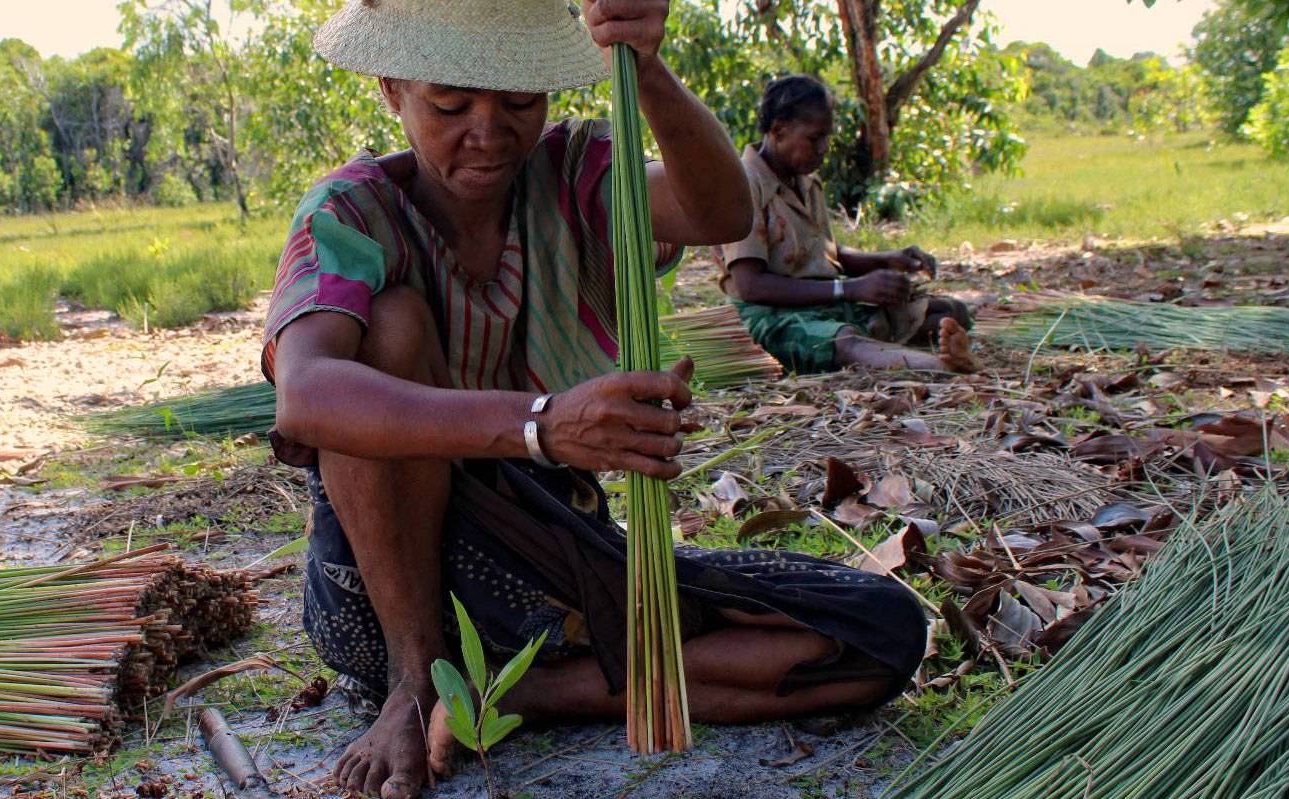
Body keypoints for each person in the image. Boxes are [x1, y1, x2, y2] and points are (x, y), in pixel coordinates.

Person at [264, 3, 926, 797]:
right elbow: (306, 397)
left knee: (877, 631)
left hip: (545, 578)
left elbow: (720, 212)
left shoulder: (569, 176)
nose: (489, 132)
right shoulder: (349, 213)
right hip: (385, 595)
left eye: (518, 101)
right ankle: (416, 685)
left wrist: (644, 67)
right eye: (450, 104)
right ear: (391, 90)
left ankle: (521, 692)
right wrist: (543, 426)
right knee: (392, 329)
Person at [719, 75, 977, 375]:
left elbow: (823, 253)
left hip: (825, 303)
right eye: (815, 138)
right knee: (846, 341)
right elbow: (751, 286)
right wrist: (850, 289)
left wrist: (887, 259)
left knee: (950, 311)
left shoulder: (805, 180)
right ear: (778, 130)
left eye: (827, 137)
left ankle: (906, 348)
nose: (825, 148)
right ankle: (941, 366)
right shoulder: (744, 184)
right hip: (771, 315)